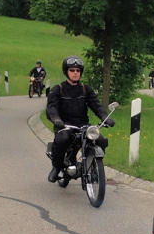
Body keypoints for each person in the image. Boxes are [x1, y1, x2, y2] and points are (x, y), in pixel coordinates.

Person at [46, 55, 115, 183]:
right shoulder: (58, 89)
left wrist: (105, 117)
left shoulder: (86, 89)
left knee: (100, 140)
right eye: (72, 70)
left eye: (78, 71)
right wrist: (56, 119)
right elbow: (51, 108)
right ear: (66, 71)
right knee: (63, 139)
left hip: (83, 125)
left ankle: (93, 167)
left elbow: (96, 106)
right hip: (65, 125)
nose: (75, 73)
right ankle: (56, 168)